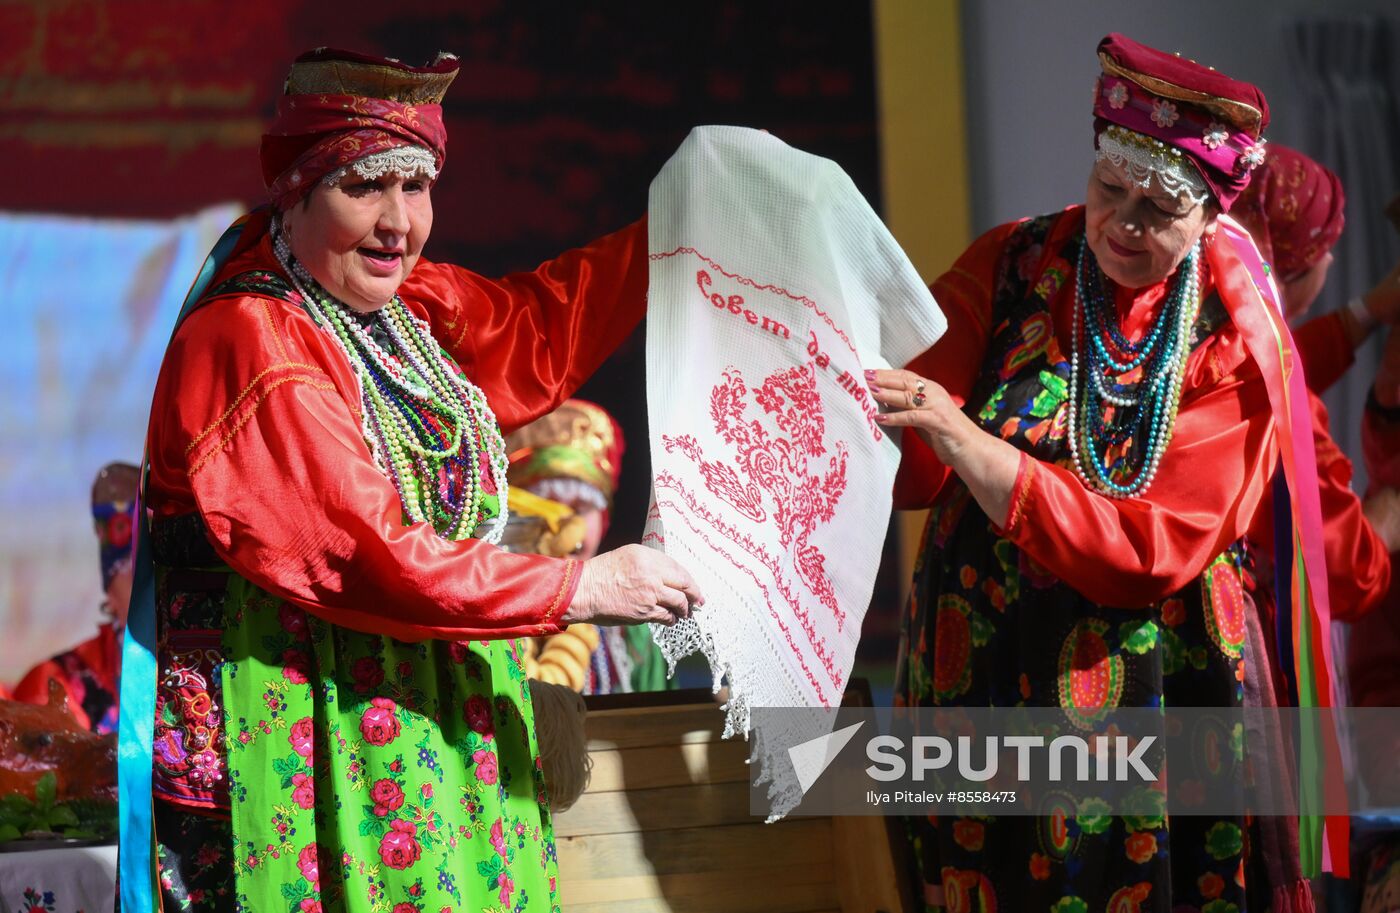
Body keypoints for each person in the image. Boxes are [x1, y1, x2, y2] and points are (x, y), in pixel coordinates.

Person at [122, 49, 701, 913]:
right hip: (307, 743)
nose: (399, 221)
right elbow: (367, 551)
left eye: (417, 186)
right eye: (364, 188)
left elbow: (533, 331)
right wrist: (584, 583)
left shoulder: (400, 308)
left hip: (426, 726)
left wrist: (678, 231)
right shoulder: (252, 337)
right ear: (296, 192)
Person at [873, 34, 1338, 911]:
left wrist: (970, 442)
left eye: (1159, 210)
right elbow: (912, 451)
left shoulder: (1233, 336)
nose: (1123, 223)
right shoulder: (1018, 260)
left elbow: (1150, 548)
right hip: (984, 663)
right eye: (1108, 190)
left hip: (1156, 687)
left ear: (1209, 215)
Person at [506, 398, 673, 693]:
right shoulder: (477, 624)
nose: (568, 527)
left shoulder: (634, 630)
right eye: (548, 505)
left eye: (582, 508)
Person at [12, 461, 138, 734]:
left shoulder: (221, 674)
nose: (154, 593)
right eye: (134, 572)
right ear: (110, 591)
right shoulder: (58, 683)